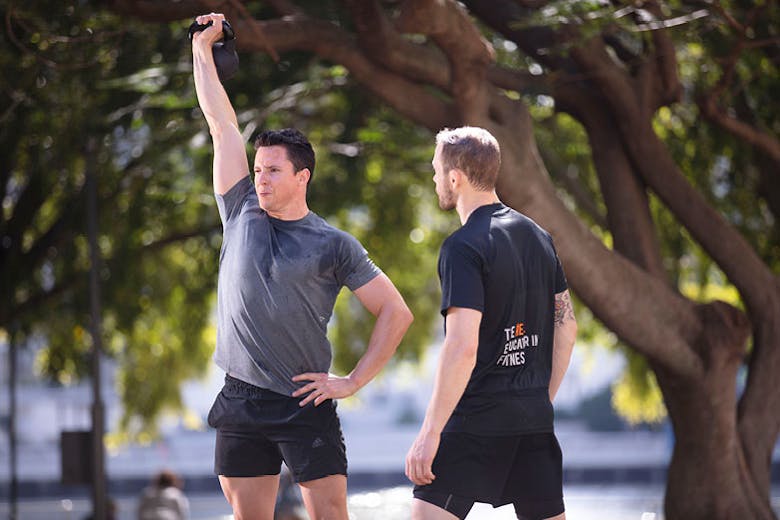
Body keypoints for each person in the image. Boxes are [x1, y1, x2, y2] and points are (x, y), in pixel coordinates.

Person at [190, 12, 414, 520]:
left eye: (272, 170)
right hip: (241, 396)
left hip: (304, 400)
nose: (261, 178)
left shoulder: (334, 244)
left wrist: (351, 381)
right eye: (257, 169)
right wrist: (203, 51)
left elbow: (396, 313)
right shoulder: (239, 208)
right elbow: (221, 126)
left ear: (302, 176)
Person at [405, 127, 577, 520]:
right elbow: (567, 328)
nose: (434, 180)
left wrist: (430, 435)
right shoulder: (539, 237)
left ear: (455, 177)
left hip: (475, 423)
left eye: (436, 171)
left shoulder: (463, 247)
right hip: (533, 422)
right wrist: (537, 400)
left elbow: (463, 347)